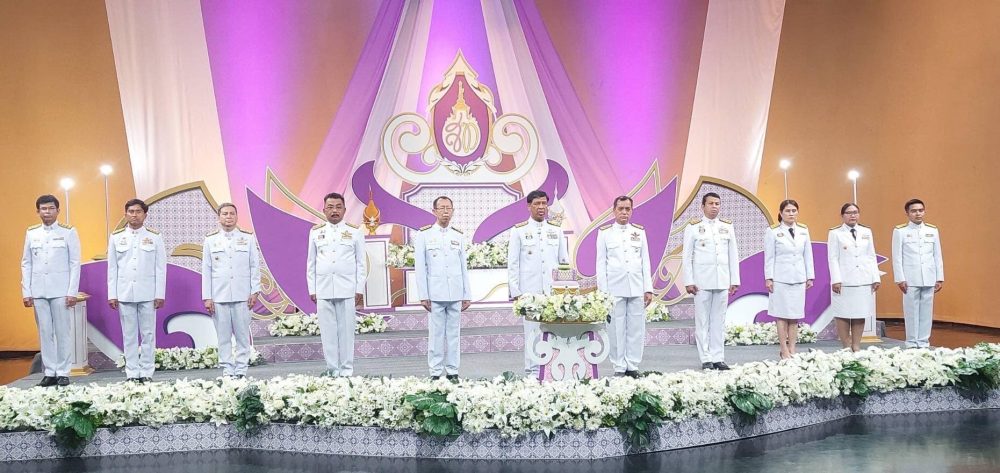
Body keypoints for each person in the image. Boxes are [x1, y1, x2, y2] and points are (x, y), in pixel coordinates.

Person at [21, 195, 81, 387]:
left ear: (58, 210)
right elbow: (26, 263)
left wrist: (72, 291)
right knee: (45, 332)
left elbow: (75, 263)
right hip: (38, 290)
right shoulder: (32, 233)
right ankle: (49, 372)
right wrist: (26, 291)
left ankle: (63, 371)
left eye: (51, 208)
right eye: (44, 209)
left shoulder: (68, 232)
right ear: (38, 211)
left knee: (62, 332)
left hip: (61, 290)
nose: (47, 212)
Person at [507, 190, 568, 377]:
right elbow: (513, 263)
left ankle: (553, 371)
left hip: (553, 292)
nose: (541, 207)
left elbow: (564, 263)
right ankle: (532, 372)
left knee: (554, 332)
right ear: (529, 206)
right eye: (537, 204)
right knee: (533, 333)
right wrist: (516, 292)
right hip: (529, 292)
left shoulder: (556, 230)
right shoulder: (519, 231)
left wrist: (564, 292)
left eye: (544, 203)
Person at [306, 192, 367, 376]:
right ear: (324, 210)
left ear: (345, 210)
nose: (334, 211)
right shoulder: (316, 232)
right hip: (323, 288)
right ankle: (332, 370)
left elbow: (361, 263)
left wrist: (359, 288)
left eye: (338, 207)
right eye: (330, 207)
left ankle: (347, 370)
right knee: (328, 333)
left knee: (347, 332)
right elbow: (311, 263)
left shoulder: (355, 231)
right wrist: (312, 288)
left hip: (347, 289)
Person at [108, 199, 167, 382]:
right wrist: (112, 294)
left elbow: (160, 268)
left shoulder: (155, 237)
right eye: (131, 211)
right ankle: (132, 372)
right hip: (125, 292)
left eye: (138, 212)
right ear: (125, 214)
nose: (134, 215)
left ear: (145, 215)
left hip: (148, 293)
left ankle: (147, 372)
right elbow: (112, 268)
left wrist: (159, 294)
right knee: (129, 335)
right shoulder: (116, 237)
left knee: (148, 334)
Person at [414, 196, 471, 380]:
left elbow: (463, 267)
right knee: (436, 335)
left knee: (454, 335)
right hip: (435, 293)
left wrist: (467, 294)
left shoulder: (458, 235)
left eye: (449, 208)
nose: (446, 212)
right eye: (442, 208)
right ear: (434, 211)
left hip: (455, 292)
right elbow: (420, 268)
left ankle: (453, 371)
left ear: (453, 211)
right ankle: (435, 372)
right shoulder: (424, 235)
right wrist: (423, 294)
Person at [202, 203, 261, 378]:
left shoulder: (247, 238)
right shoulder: (210, 240)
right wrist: (207, 297)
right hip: (219, 296)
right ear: (219, 217)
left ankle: (241, 369)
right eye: (225, 214)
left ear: (237, 216)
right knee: (223, 337)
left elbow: (254, 266)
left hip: (243, 295)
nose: (228, 217)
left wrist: (255, 291)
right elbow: (206, 270)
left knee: (243, 335)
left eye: (232, 214)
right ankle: (227, 369)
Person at [596, 196, 653, 377]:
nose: (624, 212)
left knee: (636, 328)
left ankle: (632, 365)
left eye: (627, 209)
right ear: (614, 210)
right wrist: (603, 292)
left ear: (632, 210)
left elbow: (645, 262)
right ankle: (619, 366)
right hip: (614, 288)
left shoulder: (639, 232)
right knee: (616, 329)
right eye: (620, 208)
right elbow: (601, 264)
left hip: (636, 286)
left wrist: (648, 288)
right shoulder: (605, 233)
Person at [682, 192, 740, 370]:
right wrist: (689, 281)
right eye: (711, 203)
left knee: (718, 321)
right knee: (702, 321)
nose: (715, 207)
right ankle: (705, 358)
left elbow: (733, 255)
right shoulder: (694, 227)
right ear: (703, 206)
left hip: (722, 280)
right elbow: (687, 257)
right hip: (701, 282)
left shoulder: (727, 226)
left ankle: (718, 357)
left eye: (717, 204)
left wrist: (734, 280)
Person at [763, 199, 815, 359]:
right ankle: (784, 349)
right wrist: (769, 278)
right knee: (782, 315)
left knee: (795, 315)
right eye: (787, 211)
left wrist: (810, 276)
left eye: (794, 210)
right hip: (780, 278)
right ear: (781, 213)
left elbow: (808, 255)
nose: (791, 213)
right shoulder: (772, 231)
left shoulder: (803, 230)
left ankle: (792, 348)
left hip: (798, 277)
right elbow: (769, 257)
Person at [827, 203, 881, 352]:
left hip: (863, 279)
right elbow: (833, 258)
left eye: (855, 212)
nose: (853, 215)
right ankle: (846, 346)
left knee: (860, 313)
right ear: (842, 215)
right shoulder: (835, 233)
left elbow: (871, 255)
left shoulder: (866, 231)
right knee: (843, 313)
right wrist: (836, 279)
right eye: (849, 213)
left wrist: (875, 277)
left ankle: (856, 345)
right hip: (844, 280)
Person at [891, 198, 943, 348]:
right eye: (914, 211)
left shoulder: (932, 230)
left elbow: (937, 255)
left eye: (920, 210)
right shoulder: (900, 231)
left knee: (927, 311)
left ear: (924, 211)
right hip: (910, 278)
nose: (918, 213)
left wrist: (939, 277)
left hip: (929, 276)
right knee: (911, 311)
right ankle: (912, 342)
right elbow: (897, 257)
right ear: (907, 213)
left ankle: (924, 341)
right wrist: (900, 278)